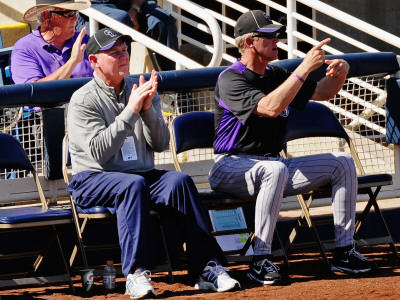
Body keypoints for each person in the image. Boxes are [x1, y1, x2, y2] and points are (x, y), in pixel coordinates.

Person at [67, 27, 240, 299]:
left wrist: (147, 111)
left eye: (125, 51)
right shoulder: (82, 99)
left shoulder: (142, 88)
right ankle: (135, 273)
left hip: (139, 174)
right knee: (132, 184)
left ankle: (207, 266)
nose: (123, 57)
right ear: (94, 61)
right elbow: (98, 154)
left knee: (179, 181)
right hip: (91, 178)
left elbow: (160, 144)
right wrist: (131, 110)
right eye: (114, 53)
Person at [209, 10, 376, 285]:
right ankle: (261, 260)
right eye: (270, 35)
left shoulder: (276, 74)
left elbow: (322, 92)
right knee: (274, 169)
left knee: (342, 162)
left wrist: (340, 75)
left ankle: (345, 252)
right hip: (230, 166)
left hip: (273, 166)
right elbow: (271, 108)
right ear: (250, 42)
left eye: (277, 34)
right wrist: (304, 67)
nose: (277, 39)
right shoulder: (231, 78)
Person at [75, 0, 179, 71]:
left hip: (132, 5)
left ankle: (174, 88)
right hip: (92, 7)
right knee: (121, 19)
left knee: (164, 21)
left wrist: (135, 9)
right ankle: (123, 85)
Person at [11, 0, 93, 84]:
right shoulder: (25, 48)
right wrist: (73, 61)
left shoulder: (83, 39)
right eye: (70, 14)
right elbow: (33, 92)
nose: (75, 18)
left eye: (75, 13)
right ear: (46, 16)